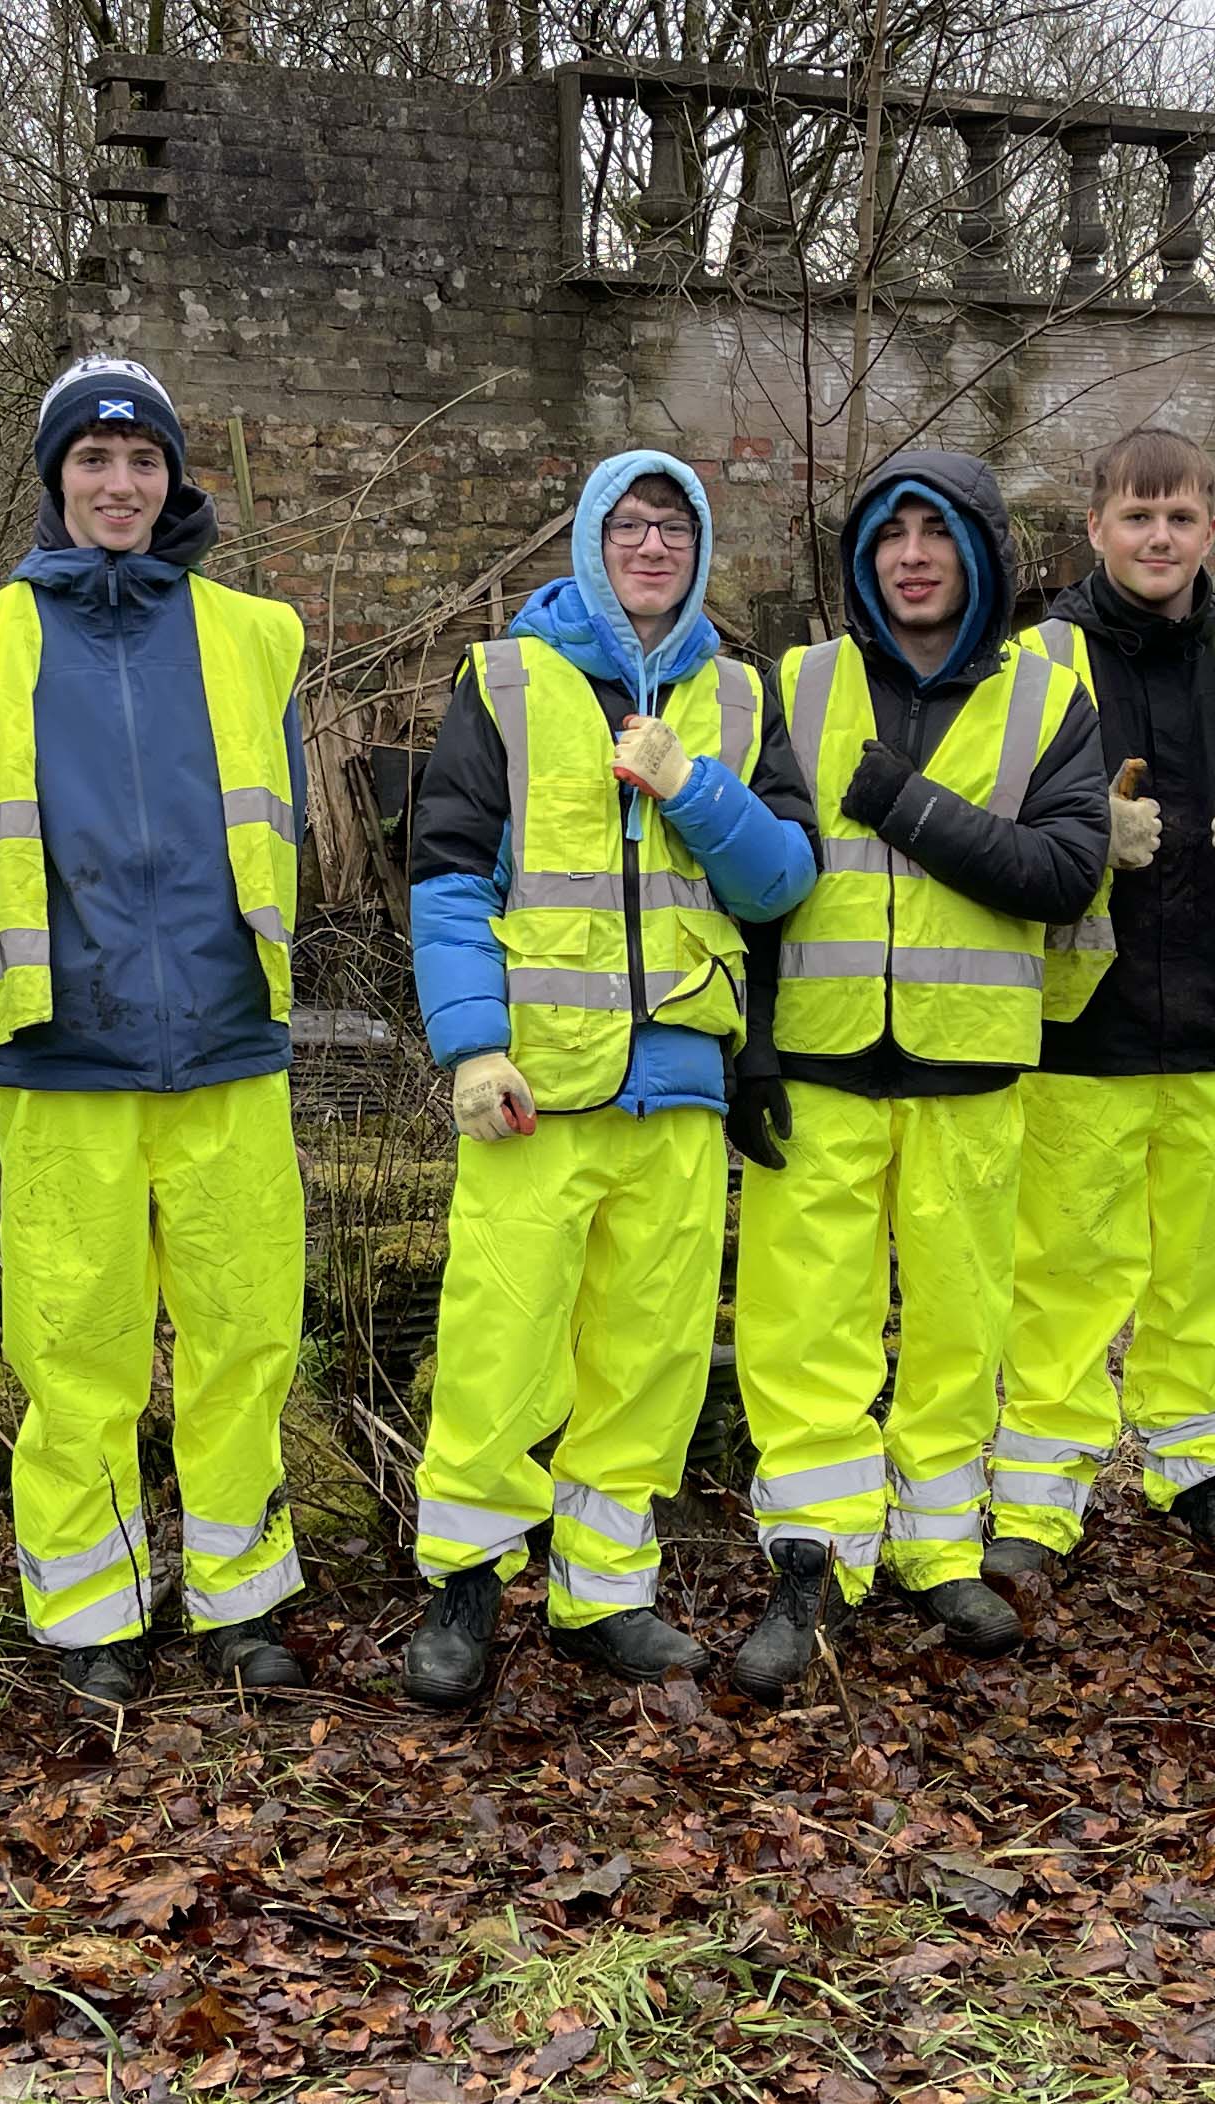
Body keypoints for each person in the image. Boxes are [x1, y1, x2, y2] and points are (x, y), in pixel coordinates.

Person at [396, 450, 817, 1707]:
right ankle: (466, 1584)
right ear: (591, 541)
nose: (650, 548)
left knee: (650, 1353)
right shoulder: (509, 679)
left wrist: (691, 786)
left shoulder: (738, 699)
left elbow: (781, 882)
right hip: (536, 1086)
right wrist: (470, 1043)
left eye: (671, 529)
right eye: (628, 526)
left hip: (682, 1078)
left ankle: (603, 1591)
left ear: (698, 551)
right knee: (499, 1342)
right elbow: (448, 875)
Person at [0, 356, 313, 1714]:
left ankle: (244, 1599)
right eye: (92, 462)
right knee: (75, 1343)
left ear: (172, 479)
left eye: (141, 460)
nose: (119, 483)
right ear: (56, 481)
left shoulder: (252, 634)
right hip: (64, 1047)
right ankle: (91, 1607)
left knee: (245, 1332)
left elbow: (290, 824)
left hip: (226, 1040)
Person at [726, 448, 1107, 1699]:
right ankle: (814, 1554)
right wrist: (754, 1044)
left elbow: (1063, 876)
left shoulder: (1051, 699)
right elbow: (756, 884)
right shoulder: (798, 682)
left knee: (958, 1321)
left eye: (933, 534)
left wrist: (901, 802)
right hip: (826, 1065)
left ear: (981, 552)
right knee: (803, 1322)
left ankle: (939, 1545)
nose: (908, 557)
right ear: (860, 559)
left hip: (970, 1070)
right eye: (887, 536)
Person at [985, 429, 1215, 1577]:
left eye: (1182, 517)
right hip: (1079, 1027)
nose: (1160, 537)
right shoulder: (1033, 662)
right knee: (1062, 1276)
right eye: (1137, 516)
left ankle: (1194, 1478)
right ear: (1094, 528)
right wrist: (1089, 835)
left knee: (1210, 1275)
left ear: (1213, 526)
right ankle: (1036, 1509)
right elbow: (979, 832)